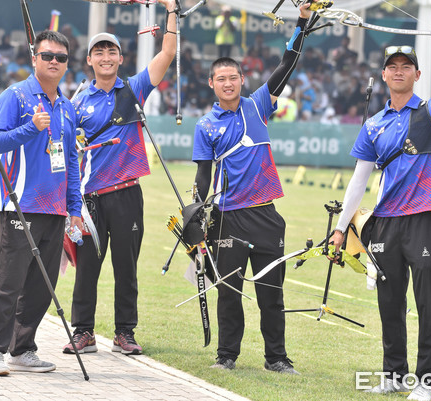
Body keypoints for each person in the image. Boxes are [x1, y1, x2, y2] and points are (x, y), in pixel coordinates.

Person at [327, 22, 431, 401]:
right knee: (389, 304)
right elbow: (358, 182)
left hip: (423, 219)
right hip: (385, 223)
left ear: (417, 75)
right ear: (385, 74)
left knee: (426, 304)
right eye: (393, 65)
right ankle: (394, 375)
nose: (399, 70)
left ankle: (426, 383)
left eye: (407, 65)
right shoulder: (372, 125)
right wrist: (341, 229)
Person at [191, 2, 315, 374]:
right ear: (211, 83)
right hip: (228, 219)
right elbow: (202, 178)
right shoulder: (205, 126)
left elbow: (287, 64)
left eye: (233, 77)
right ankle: (226, 356)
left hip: (266, 216)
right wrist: (195, 221)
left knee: (271, 294)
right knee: (229, 293)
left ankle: (276, 358)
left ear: (241, 80)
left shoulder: (258, 106)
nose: (228, 83)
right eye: (221, 78)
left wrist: (303, 22)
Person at [64, 0, 177, 356]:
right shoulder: (77, 101)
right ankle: (83, 332)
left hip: (128, 194)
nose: (106, 57)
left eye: (111, 51)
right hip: (90, 199)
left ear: (120, 58)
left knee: (126, 269)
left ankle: (124, 333)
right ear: (90, 61)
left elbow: (168, 53)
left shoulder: (134, 90)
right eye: (99, 52)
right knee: (86, 270)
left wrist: (171, 10)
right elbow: (66, 152)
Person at [0, 30, 82, 376]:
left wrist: (76, 208)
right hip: (19, 205)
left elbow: (71, 163)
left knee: (42, 286)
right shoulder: (17, 96)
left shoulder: (67, 107)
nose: (54, 61)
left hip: (54, 209)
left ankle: (22, 349)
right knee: (7, 282)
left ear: (67, 64)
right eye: (48, 55)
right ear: (34, 57)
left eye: (61, 57)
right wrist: (30, 129)